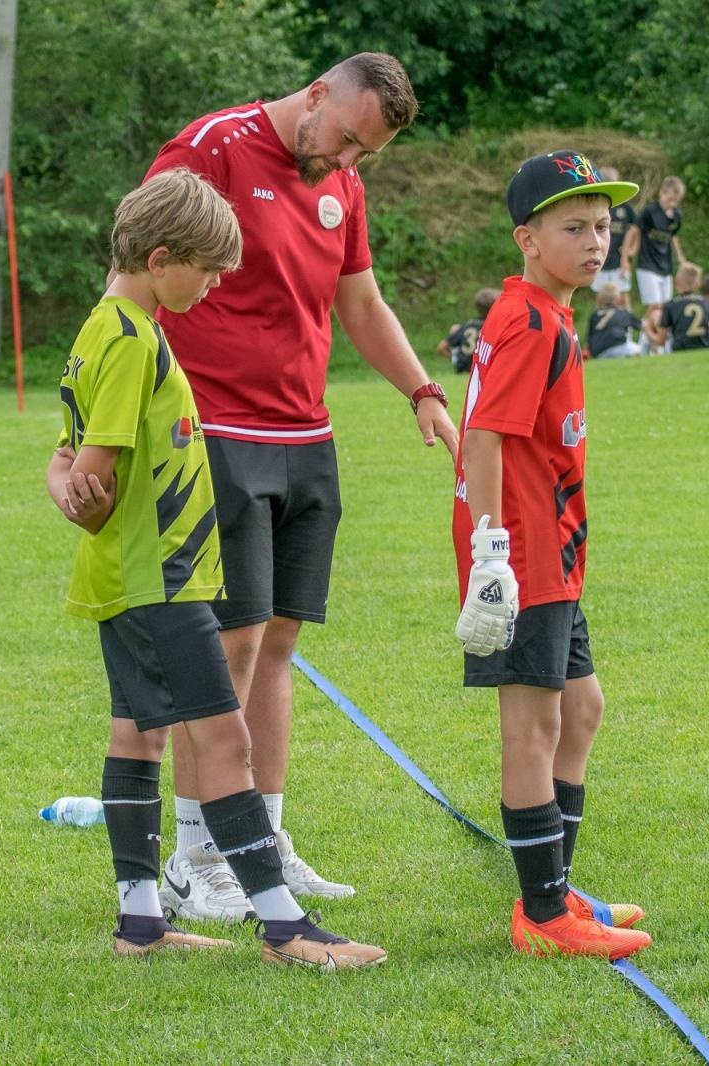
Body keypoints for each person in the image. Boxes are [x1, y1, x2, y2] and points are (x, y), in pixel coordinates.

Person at [141, 53, 457, 922]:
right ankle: (197, 856)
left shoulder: (341, 185)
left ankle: (264, 840)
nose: (349, 163)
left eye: (367, 154)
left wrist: (423, 392)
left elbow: (361, 304)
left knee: (278, 644)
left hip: (304, 435)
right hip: (212, 433)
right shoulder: (210, 149)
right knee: (229, 647)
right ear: (316, 95)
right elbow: (133, 278)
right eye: (347, 139)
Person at [47, 167, 385, 969]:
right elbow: (94, 486)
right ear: (162, 258)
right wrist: (75, 491)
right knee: (225, 740)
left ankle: (140, 924)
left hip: (120, 579)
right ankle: (285, 928)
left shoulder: (100, 326)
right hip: (159, 577)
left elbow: (66, 462)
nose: (216, 285)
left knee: (138, 734)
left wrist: (63, 481)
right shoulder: (132, 340)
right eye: (209, 270)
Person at [452, 149, 653, 960]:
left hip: (555, 552)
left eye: (603, 227)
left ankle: (555, 884)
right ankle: (541, 916)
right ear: (527, 239)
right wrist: (493, 547)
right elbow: (485, 436)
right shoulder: (528, 319)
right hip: (523, 556)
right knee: (531, 726)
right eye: (573, 227)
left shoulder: (550, 313)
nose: (594, 241)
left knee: (582, 707)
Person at [623, 175, 686, 336]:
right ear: (662, 193)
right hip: (647, 265)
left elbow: (673, 237)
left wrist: (681, 259)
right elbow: (633, 231)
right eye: (669, 198)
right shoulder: (650, 211)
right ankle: (645, 335)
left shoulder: (677, 216)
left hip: (665, 266)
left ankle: (654, 341)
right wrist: (625, 258)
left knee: (664, 308)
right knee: (655, 305)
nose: (671, 203)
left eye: (675, 201)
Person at [587, 167, 637, 309]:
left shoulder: (625, 207)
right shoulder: (596, 206)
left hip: (621, 261)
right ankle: (600, 327)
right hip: (600, 259)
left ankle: (626, 328)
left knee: (623, 295)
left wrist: (629, 252)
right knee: (601, 296)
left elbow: (635, 228)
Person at [643, 261, 709, 353]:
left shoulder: (670, 305)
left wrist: (647, 329)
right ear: (697, 284)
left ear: (677, 281)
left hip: (681, 350)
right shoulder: (705, 302)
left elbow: (660, 341)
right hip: (706, 349)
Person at [437, 287, 500, 373]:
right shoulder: (495, 326)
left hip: (462, 367)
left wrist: (455, 359)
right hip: (481, 366)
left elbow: (441, 347)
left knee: (455, 328)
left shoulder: (470, 324)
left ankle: (458, 358)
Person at [586, 284, 643, 359]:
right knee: (640, 350)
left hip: (599, 353)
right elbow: (642, 326)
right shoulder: (622, 312)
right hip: (620, 347)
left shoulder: (594, 315)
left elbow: (589, 338)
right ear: (618, 298)